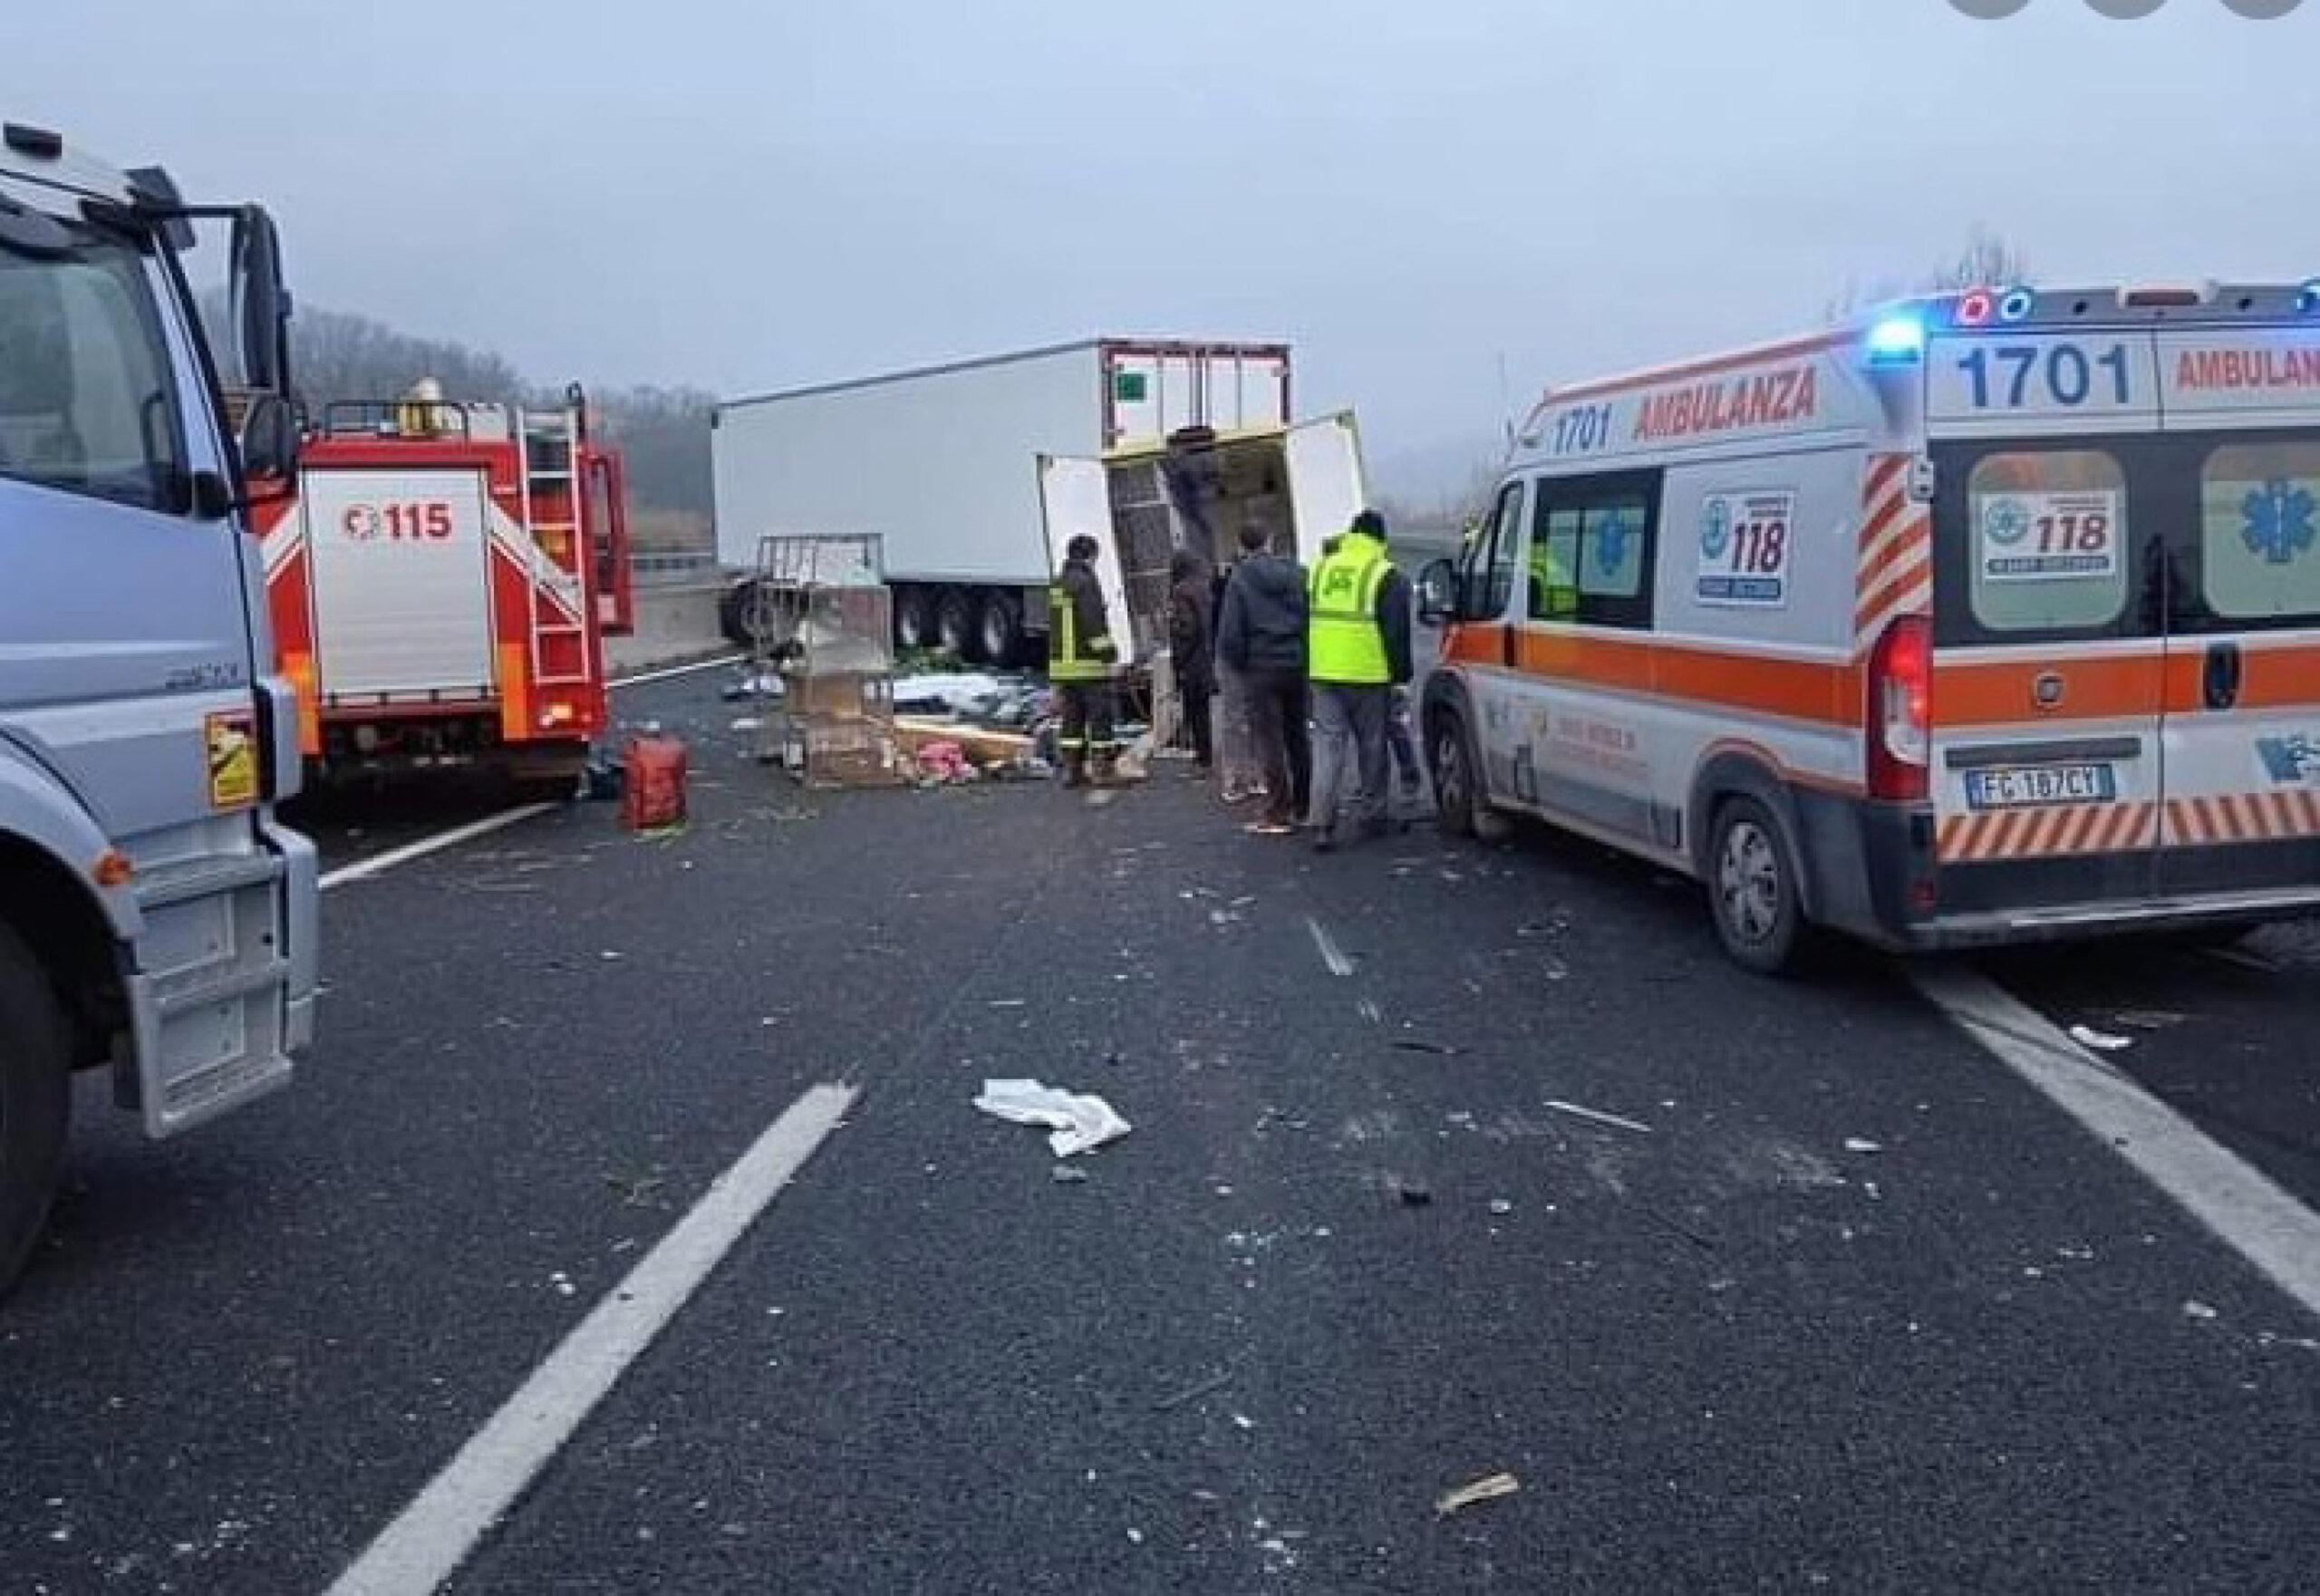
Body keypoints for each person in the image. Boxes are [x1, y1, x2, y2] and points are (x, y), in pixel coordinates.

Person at [1304, 509, 1413, 851]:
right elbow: (1396, 633)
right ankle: (1373, 815)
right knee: (1372, 745)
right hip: (1367, 674)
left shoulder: (1320, 569)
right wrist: (1401, 677)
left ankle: (1321, 823)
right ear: (1380, 539)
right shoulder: (1384, 574)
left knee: (1327, 748)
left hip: (1323, 672)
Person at [1216, 522, 1310, 836]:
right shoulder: (1297, 573)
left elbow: (1230, 634)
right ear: (1270, 541)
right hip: (1296, 664)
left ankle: (1277, 812)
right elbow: (1309, 616)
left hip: (1260, 669)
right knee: (1298, 737)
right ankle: (1306, 806)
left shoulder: (1239, 579)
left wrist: (1242, 664)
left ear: (1242, 546)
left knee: (1270, 741)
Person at [1048, 534, 1119, 787]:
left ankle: (1072, 771)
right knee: (1099, 719)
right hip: (1089, 667)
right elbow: (1093, 624)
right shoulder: (1086, 582)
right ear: (1090, 556)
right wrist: (1110, 654)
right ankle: (1102, 769)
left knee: (1072, 721)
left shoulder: (1058, 584)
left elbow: (1056, 630)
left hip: (1064, 669)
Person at [1166, 550, 1214, 772]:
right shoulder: (1204, 588)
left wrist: (1179, 660)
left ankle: (1202, 758)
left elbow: (1186, 628)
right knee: (1202, 710)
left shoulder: (1180, 592)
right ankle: (1205, 755)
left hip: (1191, 660)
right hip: (1206, 657)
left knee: (1194, 711)